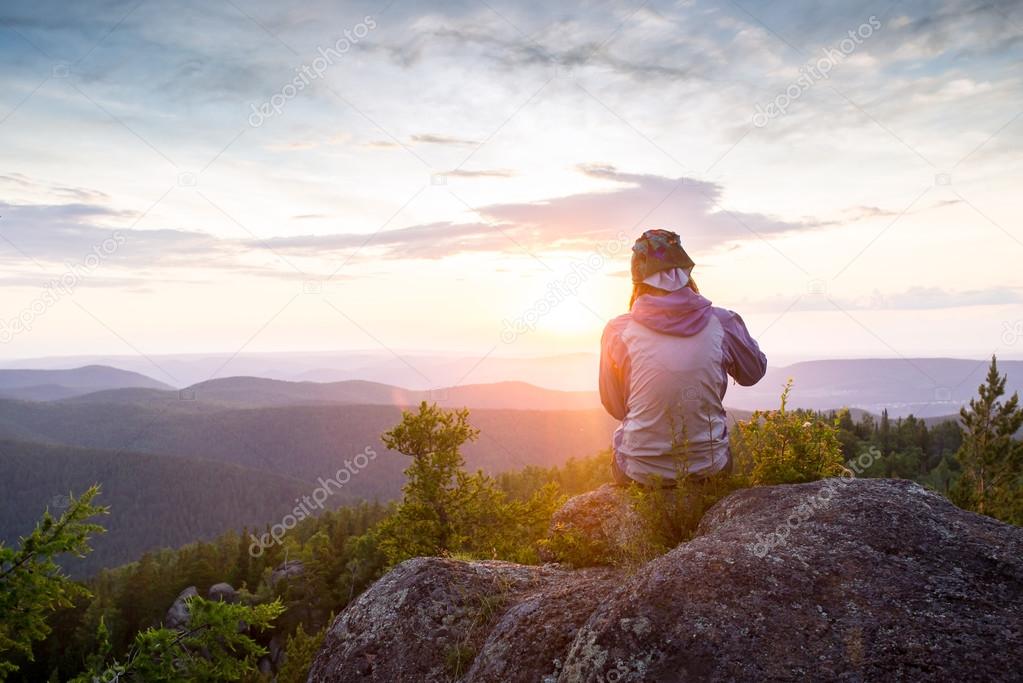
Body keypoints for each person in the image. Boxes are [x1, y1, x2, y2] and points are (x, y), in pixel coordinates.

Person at [599, 229, 767, 487]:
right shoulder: (722, 321)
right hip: (709, 468)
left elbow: (615, 406)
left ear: (637, 279)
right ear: (687, 272)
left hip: (639, 472)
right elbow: (753, 373)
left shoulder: (618, 331)